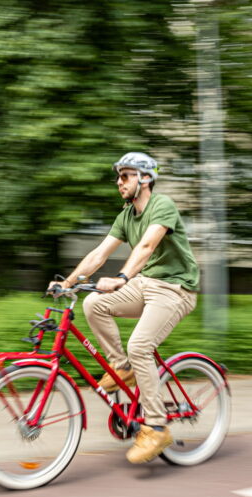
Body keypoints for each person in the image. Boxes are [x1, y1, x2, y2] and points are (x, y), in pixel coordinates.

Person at [47, 152, 199, 464]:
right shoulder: (126, 216)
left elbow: (147, 246)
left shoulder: (162, 206)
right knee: (93, 303)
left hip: (175, 288)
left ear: (145, 178)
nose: (119, 182)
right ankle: (122, 368)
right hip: (146, 284)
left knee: (140, 345)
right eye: (119, 176)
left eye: (126, 175)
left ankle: (156, 426)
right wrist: (68, 282)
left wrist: (121, 277)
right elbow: (99, 254)